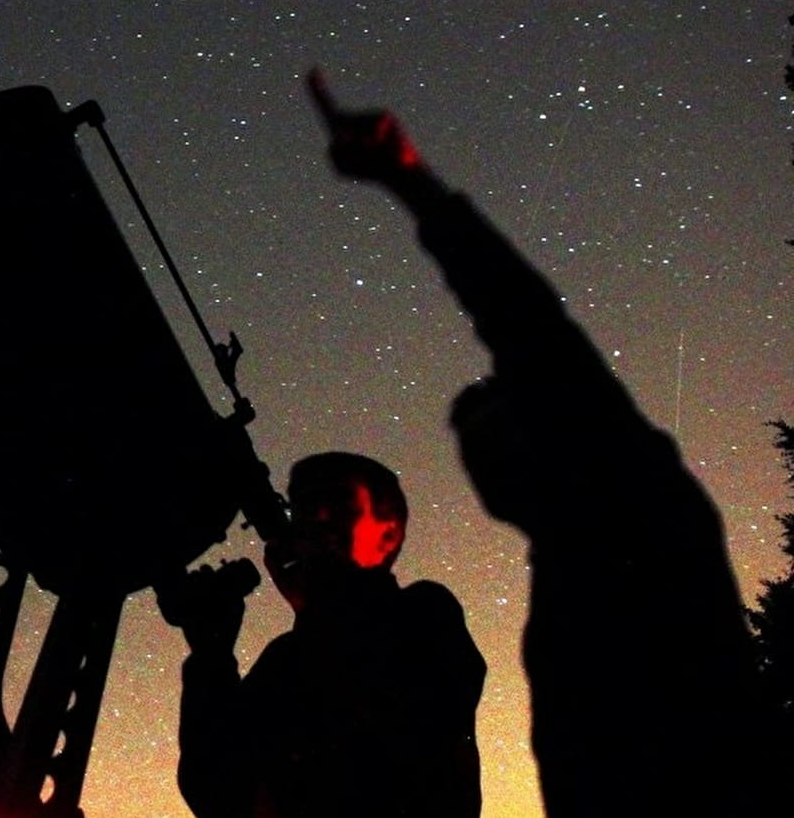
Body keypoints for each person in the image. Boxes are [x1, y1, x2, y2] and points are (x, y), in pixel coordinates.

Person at [305, 71, 778, 815]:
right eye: (468, 445)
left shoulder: (636, 497)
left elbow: (527, 324)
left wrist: (412, 183)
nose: (480, 458)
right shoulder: (564, 572)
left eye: (493, 424)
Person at [163, 451, 485, 818]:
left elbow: (400, 724)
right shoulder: (285, 659)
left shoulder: (426, 611)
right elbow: (215, 790)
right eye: (304, 508)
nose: (314, 522)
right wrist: (212, 654)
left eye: (338, 506)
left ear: (389, 532)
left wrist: (312, 607)